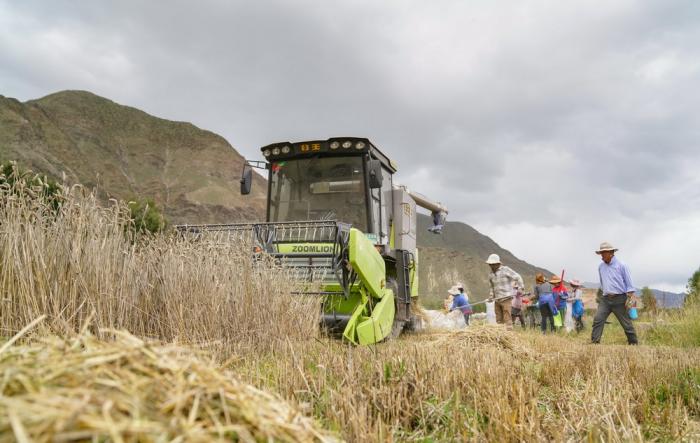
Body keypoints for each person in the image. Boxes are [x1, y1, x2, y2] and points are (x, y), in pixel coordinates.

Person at [591, 242, 638, 345]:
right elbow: (603, 283)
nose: (602, 256)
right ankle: (594, 343)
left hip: (620, 299)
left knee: (626, 323)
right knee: (598, 319)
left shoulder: (622, 265)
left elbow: (630, 284)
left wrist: (629, 299)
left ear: (611, 253)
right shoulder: (601, 267)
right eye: (601, 253)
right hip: (605, 299)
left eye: (604, 253)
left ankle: (634, 344)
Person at [486, 253, 524, 329]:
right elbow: (491, 287)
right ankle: (500, 334)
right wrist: (491, 297)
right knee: (498, 319)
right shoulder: (491, 274)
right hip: (497, 299)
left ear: (497, 263)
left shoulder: (505, 270)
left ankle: (509, 334)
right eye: (490, 264)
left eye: (493, 264)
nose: (491, 266)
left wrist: (521, 288)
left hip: (506, 298)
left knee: (507, 318)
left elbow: (518, 277)